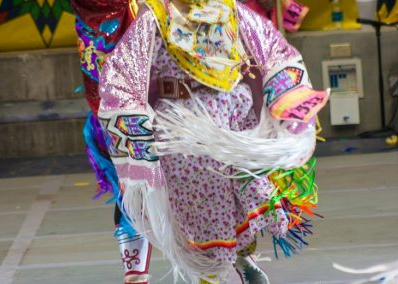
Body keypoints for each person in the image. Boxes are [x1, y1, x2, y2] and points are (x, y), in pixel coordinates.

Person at [98, 0, 329, 282]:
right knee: (199, 215)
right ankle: (211, 272)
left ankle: (240, 258)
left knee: (241, 197)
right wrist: (134, 120)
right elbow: (121, 76)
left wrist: (286, 93)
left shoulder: (231, 11)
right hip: (184, 131)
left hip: (233, 124)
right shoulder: (156, 17)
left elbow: (272, 51)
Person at [70, 1, 152, 283]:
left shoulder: (85, 10)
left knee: (131, 191)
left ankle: (135, 272)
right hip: (139, 117)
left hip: (108, 116)